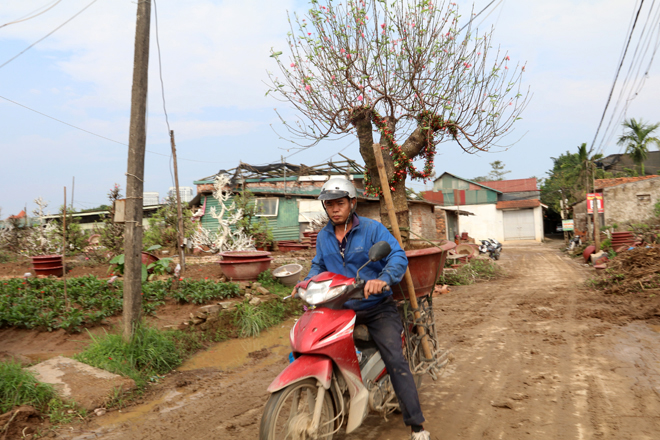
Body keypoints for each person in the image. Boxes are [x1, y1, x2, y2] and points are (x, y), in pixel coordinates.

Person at [300, 176, 431, 440]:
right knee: (313, 346)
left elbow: (397, 255)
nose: (334, 209)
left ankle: (417, 427)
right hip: (338, 307)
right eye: (329, 204)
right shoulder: (323, 236)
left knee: (395, 359)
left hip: (375, 307)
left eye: (340, 203)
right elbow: (318, 266)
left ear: (352, 203)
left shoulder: (372, 229)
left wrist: (382, 280)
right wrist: (306, 282)